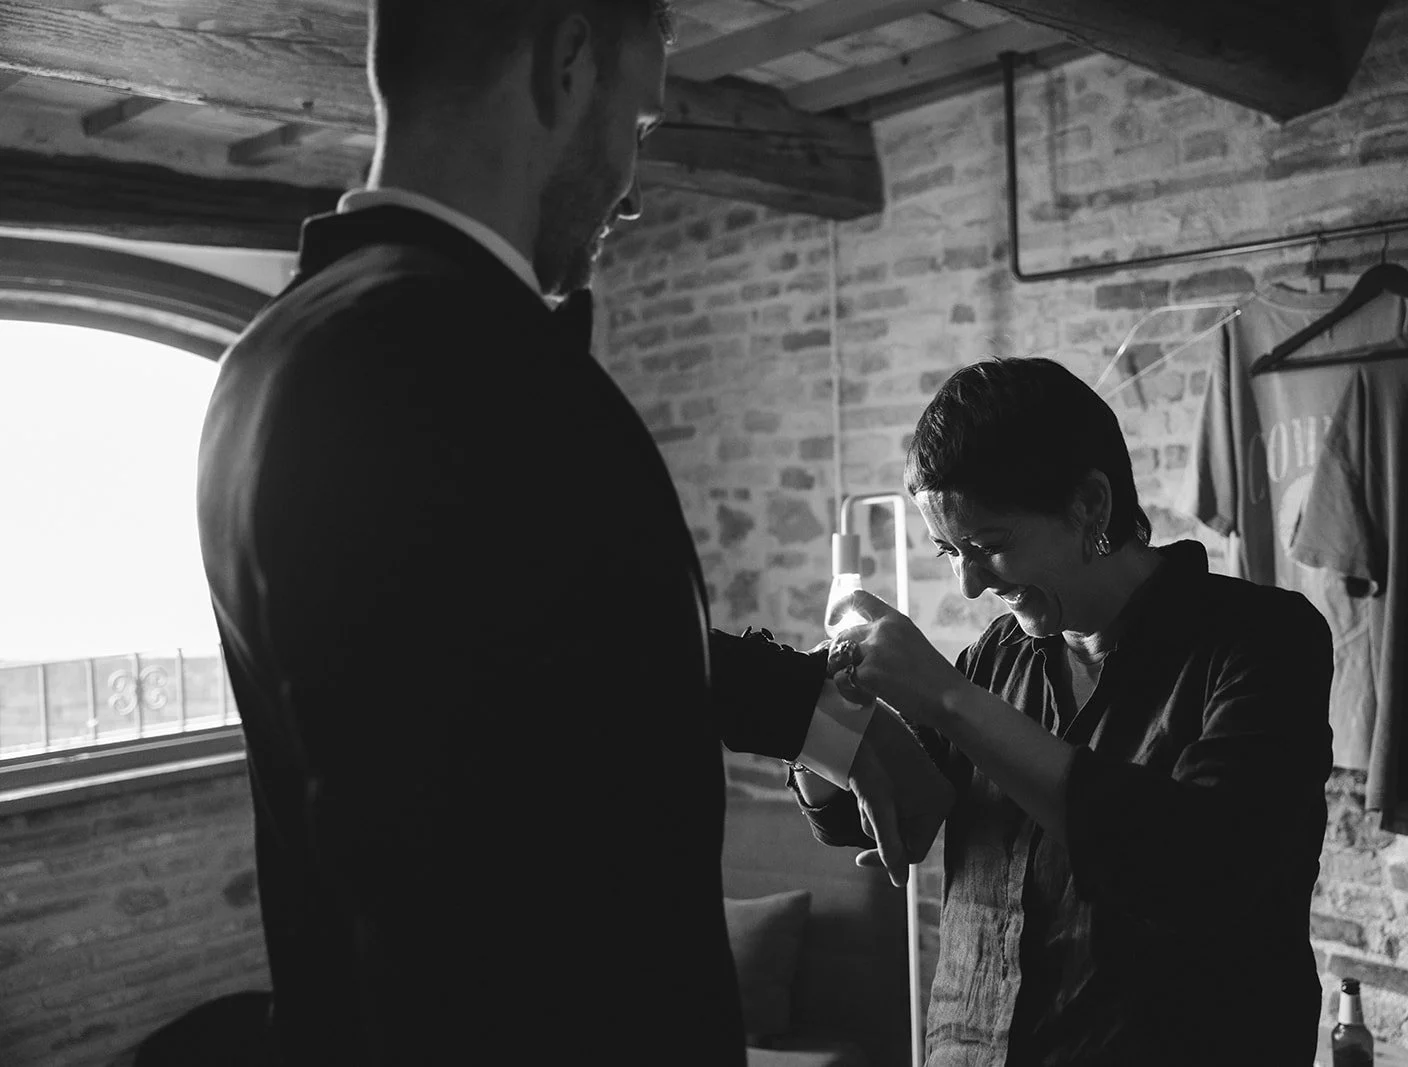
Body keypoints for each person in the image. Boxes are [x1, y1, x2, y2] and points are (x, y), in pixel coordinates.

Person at [195, 2, 949, 1064]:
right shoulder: (448, 357)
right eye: (637, 127)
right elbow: (469, 867)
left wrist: (822, 714)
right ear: (566, 60)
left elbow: (553, 655)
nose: (631, 193)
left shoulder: (279, 351)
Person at [794, 357, 1335, 1065]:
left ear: (1090, 505)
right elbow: (856, 815)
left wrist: (949, 699)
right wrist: (826, 709)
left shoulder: (1265, 639)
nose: (968, 583)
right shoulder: (1000, 654)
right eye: (948, 549)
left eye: (988, 545)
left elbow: (1200, 870)